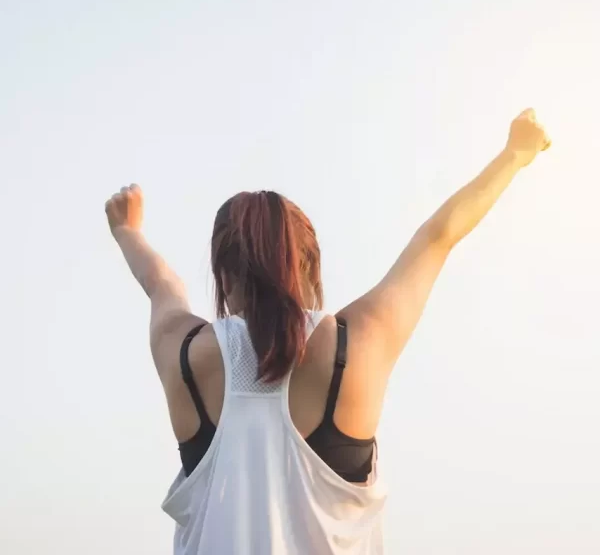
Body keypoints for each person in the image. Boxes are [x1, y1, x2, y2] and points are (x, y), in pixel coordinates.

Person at [105, 109, 551, 554]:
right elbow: (437, 237)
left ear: (222, 274)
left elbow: (161, 283)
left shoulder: (184, 356)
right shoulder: (358, 345)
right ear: (310, 266)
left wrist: (127, 230)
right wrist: (514, 154)